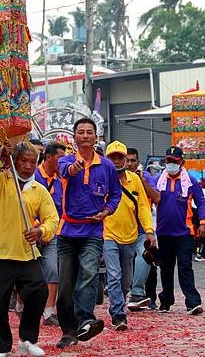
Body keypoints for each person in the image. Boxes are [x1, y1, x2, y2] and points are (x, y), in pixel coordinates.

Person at [0, 141, 59, 357]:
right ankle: (2, 345)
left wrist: (41, 231)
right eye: (23, 161)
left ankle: (28, 339)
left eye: (33, 162)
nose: (28, 166)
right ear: (16, 160)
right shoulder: (2, 180)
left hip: (26, 254)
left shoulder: (38, 190)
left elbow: (52, 219)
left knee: (38, 292)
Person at [55, 118, 121, 349]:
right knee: (64, 284)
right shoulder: (65, 161)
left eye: (89, 132)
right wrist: (76, 167)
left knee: (89, 274)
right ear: (74, 138)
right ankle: (67, 331)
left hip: (93, 230)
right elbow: (66, 172)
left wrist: (106, 211)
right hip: (67, 232)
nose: (85, 135)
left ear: (96, 137)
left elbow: (115, 194)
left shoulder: (107, 166)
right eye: (80, 132)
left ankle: (84, 320)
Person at [103, 141, 156, 330]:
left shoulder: (135, 180)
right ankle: (118, 315)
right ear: (106, 159)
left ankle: (119, 302)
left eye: (120, 157)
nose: (117, 161)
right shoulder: (101, 178)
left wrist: (149, 231)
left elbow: (143, 206)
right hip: (108, 234)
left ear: (126, 159)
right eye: (113, 157)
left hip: (131, 236)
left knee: (126, 280)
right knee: (114, 275)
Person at [154, 146, 205, 315]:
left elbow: (201, 202)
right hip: (163, 232)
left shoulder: (190, 181)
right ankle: (166, 300)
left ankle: (193, 302)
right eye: (168, 161)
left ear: (182, 162)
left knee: (185, 267)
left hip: (185, 233)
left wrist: (203, 223)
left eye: (174, 161)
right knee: (166, 268)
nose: (170, 164)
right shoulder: (158, 180)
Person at [34, 142, 67, 326]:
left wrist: (53, 229)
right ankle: (22, 307)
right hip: (31, 232)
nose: (63, 163)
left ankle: (48, 313)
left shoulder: (62, 179)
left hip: (53, 232)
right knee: (28, 273)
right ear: (47, 157)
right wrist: (38, 228)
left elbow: (62, 209)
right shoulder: (32, 176)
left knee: (53, 269)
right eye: (60, 159)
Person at [125, 148, 161, 311]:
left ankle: (146, 297)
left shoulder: (145, 177)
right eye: (128, 160)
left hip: (142, 229)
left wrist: (141, 182)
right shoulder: (115, 177)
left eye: (133, 160)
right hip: (122, 230)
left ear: (138, 162)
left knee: (147, 260)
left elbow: (156, 198)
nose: (130, 164)